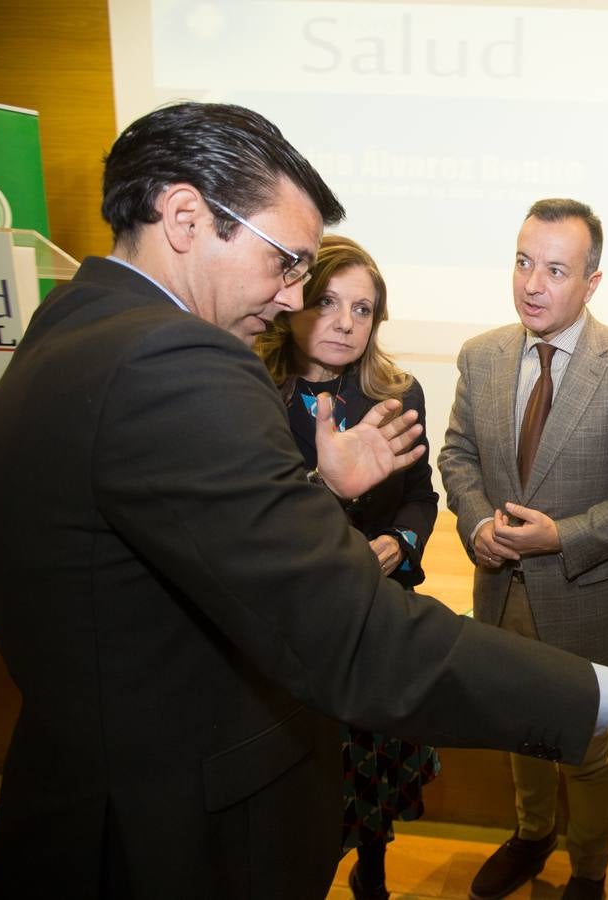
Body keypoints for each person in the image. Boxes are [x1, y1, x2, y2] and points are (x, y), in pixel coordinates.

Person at [0, 102, 608, 900]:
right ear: (185, 217)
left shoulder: (71, 324)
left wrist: (324, 491)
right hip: (173, 841)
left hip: (90, 811)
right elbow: (351, 634)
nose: (296, 298)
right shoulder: (175, 361)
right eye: (286, 261)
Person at [438, 198, 608, 900]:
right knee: (519, 729)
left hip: (582, 600)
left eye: (554, 269)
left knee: (584, 748)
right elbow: (457, 456)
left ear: (592, 281)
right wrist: (477, 521)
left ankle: (589, 870)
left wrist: (562, 537)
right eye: (522, 262)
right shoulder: (481, 356)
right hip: (500, 590)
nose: (531, 284)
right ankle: (531, 833)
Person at [255, 234, 442, 900]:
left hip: (372, 615)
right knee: (306, 779)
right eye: (328, 301)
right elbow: (253, 518)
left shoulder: (396, 391)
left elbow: (422, 494)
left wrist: (400, 543)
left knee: (374, 766)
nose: (345, 322)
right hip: (288, 629)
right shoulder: (249, 392)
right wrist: (325, 483)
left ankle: (375, 869)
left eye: (363, 310)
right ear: (292, 300)